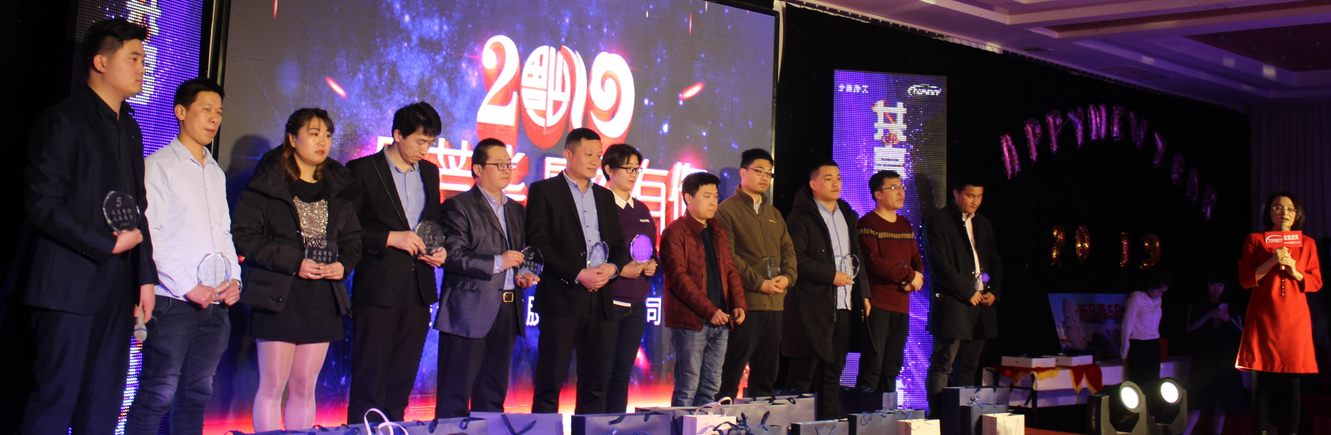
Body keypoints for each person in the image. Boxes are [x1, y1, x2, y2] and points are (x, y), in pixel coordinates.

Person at [19, 18, 159, 435]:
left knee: (104, 404)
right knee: (56, 399)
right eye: (134, 58)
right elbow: (42, 204)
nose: (143, 67)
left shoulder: (130, 127)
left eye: (144, 59)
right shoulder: (63, 120)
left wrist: (145, 277)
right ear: (100, 61)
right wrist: (105, 243)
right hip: (69, 287)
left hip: (118, 291)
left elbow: (137, 208)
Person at [124, 78, 241, 435]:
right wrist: (189, 286)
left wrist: (235, 279)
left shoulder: (215, 172)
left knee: (196, 395)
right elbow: (151, 234)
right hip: (173, 302)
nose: (214, 118)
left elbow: (224, 232)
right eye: (206, 109)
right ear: (181, 112)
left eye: (219, 112)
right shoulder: (159, 166)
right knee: (157, 393)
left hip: (215, 302)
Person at [233, 108, 362, 432]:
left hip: (321, 299)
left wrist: (342, 265)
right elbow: (245, 237)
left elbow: (353, 241)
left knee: (305, 386)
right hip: (278, 296)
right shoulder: (267, 183)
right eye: (314, 134)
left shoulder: (339, 187)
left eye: (327, 135)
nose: (322, 142)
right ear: (293, 139)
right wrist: (295, 262)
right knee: (273, 385)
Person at [344, 102, 448, 423]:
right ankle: (363, 429)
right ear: (397, 135)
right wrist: (389, 237)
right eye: (419, 141)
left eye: (430, 142)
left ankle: (395, 428)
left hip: (418, 290)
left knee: (402, 378)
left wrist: (440, 250)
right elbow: (347, 230)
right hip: (378, 288)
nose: (425, 149)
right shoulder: (362, 170)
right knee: (369, 378)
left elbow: (433, 223)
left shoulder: (429, 172)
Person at [526, 128, 629, 414]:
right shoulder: (544, 191)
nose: (596, 161)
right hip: (561, 297)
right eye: (589, 154)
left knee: (595, 383)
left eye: (599, 155)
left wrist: (612, 268)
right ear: (568, 154)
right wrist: (577, 273)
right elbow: (539, 244)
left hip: (600, 299)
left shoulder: (605, 197)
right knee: (549, 381)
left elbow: (618, 246)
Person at [434, 138, 538, 417]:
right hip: (468, 312)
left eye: (509, 164)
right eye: (499, 164)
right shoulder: (458, 205)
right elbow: (452, 255)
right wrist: (499, 262)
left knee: (492, 393)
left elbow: (520, 254)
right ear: (478, 169)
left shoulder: (516, 210)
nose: (507, 170)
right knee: (455, 394)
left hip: (507, 309)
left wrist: (523, 274)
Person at [783, 159, 870, 420]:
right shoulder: (801, 216)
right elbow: (796, 259)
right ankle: (793, 425)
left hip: (844, 305)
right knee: (803, 374)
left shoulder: (847, 214)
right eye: (828, 178)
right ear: (813, 184)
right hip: (812, 306)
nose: (836, 183)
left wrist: (864, 294)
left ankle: (828, 425)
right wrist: (831, 276)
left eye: (839, 178)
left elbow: (857, 257)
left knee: (833, 372)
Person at [1236, 191, 1322, 435]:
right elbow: (1245, 280)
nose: (1284, 212)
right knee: (1261, 381)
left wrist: (1295, 272)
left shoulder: (1307, 243)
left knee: (1292, 383)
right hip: (1263, 317)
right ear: (1269, 212)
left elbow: (1316, 282)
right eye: (1277, 207)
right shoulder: (1255, 240)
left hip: (1295, 320)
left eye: (1290, 209)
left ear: (1297, 214)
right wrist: (1272, 261)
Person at [716, 148, 797, 400]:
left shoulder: (774, 214)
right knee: (731, 371)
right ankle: (721, 418)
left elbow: (789, 251)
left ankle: (760, 419)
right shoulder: (726, 211)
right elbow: (728, 256)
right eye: (759, 171)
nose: (765, 177)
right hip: (746, 303)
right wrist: (759, 283)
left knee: (766, 375)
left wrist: (787, 278)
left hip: (775, 304)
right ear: (743, 172)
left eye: (769, 173)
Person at [662, 172, 747, 406]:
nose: (713, 202)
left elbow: (730, 270)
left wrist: (739, 303)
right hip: (692, 322)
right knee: (687, 387)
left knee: (711, 388)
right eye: (707, 196)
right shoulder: (674, 232)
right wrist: (710, 310)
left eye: (716, 196)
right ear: (688, 198)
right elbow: (679, 278)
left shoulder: (718, 231)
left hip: (721, 320)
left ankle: (703, 426)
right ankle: (680, 426)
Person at [922, 176, 1002, 416]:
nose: (975, 201)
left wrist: (993, 292)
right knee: (943, 364)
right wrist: (967, 292)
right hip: (953, 304)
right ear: (956, 193)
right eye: (970, 196)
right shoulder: (938, 221)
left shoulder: (983, 223)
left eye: (979, 196)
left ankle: (961, 419)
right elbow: (940, 265)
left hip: (982, 304)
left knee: (969, 366)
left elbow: (994, 261)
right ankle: (937, 419)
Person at [601, 143, 659, 413]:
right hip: (608, 302)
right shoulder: (599, 205)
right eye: (628, 168)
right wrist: (619, 269)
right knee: (602, 373)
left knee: (622, 374)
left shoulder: (642, 210)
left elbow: (652, 251)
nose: (633, 174)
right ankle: (595, 427)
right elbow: (590, 251)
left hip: (636, 304)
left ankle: (616, 424)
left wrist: (653, 264)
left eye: (636, 169)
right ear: (609, 170)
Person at [855, 170, 924, 393]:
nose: (900, 192)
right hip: (878, 303)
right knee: (873, 363)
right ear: (878, 194)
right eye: (894, 188)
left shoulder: (904, 224)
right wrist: (909, 276)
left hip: (901, 304)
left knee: (893, 364)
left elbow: (916, 257)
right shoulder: (868, 223)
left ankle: (886, 409)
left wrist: (917, 276)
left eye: (901, 187)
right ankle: (864, 409)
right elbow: (874, 263)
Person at [1182, 273, 1248, 435]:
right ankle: (1186, 432)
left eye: (1220, 285)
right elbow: (1190, 329)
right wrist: (1209, 315)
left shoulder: (1232, 306)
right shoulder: (1198, 304)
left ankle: (1217, 433)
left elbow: (1242, 334)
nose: (1216, 289)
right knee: (1198, 398)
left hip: (1225, 359)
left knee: (1222, 400)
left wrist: (1227, 318)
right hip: (1204, 359)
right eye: (1213, 285)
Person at [1121, 272, 1169, 401]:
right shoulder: (1136, 297)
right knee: (1140, 385)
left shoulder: (1158, 300)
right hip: (1139, 345)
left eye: (1163, 292)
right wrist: (1124, 352)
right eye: (1159, 291)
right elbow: (1127, 325)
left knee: (1154, 384)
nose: (1160, 295)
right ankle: (1138, 411)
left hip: (1154, 344)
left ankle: (1152, 411)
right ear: (1150, 285)